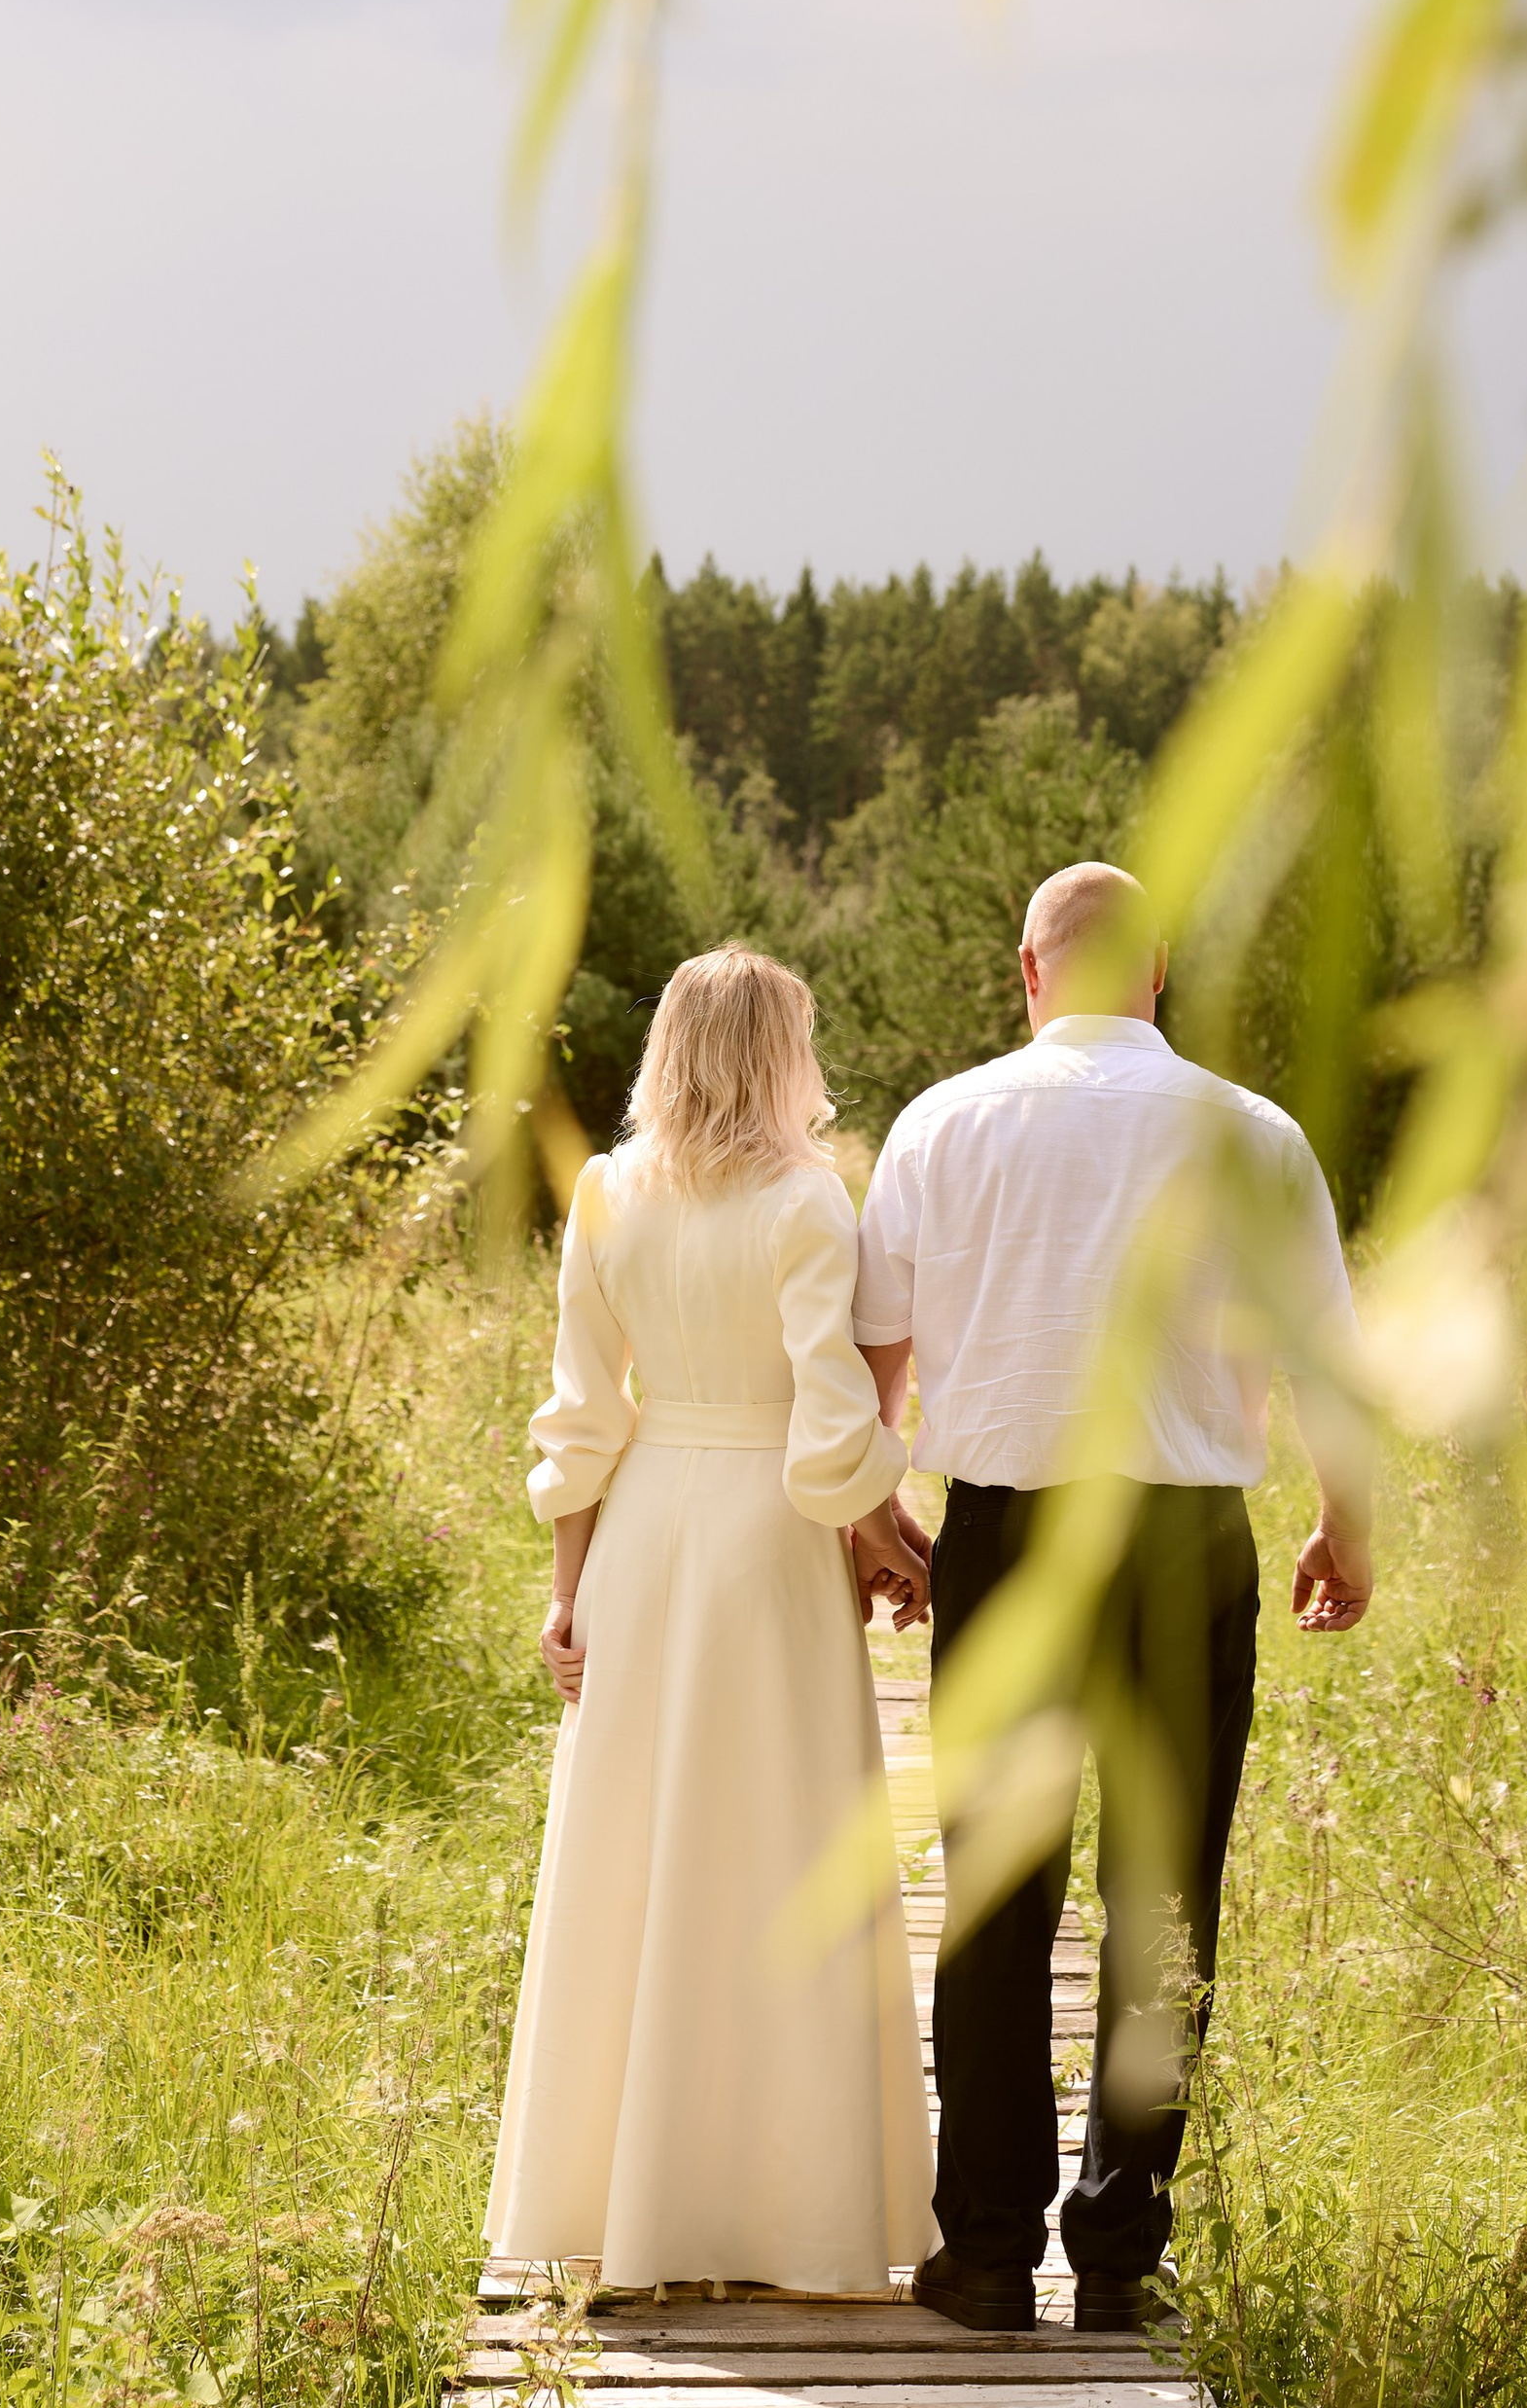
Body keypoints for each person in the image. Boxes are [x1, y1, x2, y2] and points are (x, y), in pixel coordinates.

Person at [853, 860, 1370, 2343]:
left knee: (999, 1899)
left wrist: (878, 1510)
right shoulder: (1255, 1136)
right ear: (1154, 971)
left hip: (1006, 1539)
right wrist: (1347, 1526)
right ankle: (1123, 2257)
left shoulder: (942, 1124)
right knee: (1160, 1895)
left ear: (1027, 970)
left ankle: (987, 2255)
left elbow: (877, 1366)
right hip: (1181, 1538)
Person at [485, 944, 940, 2297]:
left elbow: (583, 1415)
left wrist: (567, 1593)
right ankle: (787, 2216)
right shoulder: (807, 1199)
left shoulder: (607, 1194)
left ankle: (627, 2211)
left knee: (637, 1857)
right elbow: (830, 1418)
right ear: (780, 1054)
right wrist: (892, 1536)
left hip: (640, 1540)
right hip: (765, 1553)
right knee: (780, 1854)